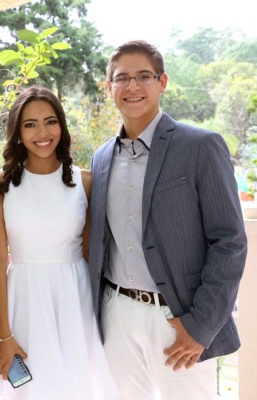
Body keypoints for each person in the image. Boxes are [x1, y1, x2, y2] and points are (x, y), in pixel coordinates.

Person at [88, 40, 248, 400]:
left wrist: (201, 326)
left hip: (178, 320)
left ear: (162, 82)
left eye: (143, 76)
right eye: (121, 78)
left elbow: (230, 242)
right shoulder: (100, 159)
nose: (132, 87)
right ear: (108, 87)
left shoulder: (200, 146)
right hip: (116, 317)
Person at [0, 86, 119, 400]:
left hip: (74, 301)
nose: (42, 132)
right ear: (18, 132)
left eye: (50, 121)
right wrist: (3, 335)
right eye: (30, 124)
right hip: (21, 299)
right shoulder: (0, 183)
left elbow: (93, 253)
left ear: (61, 126)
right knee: (25, 387)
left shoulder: (87, 182)